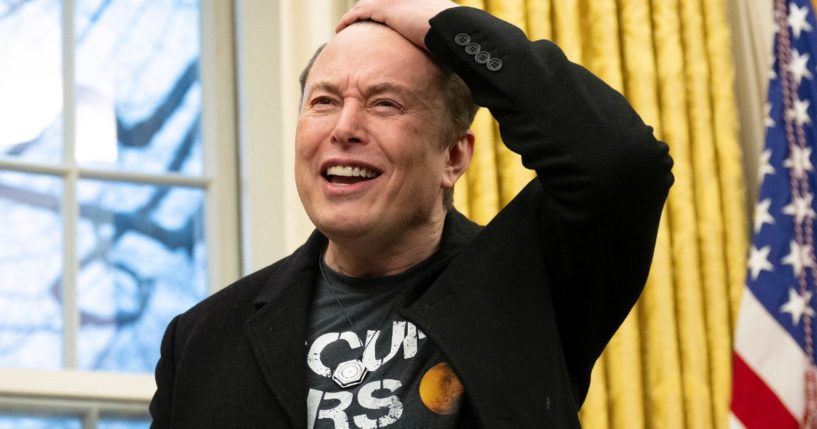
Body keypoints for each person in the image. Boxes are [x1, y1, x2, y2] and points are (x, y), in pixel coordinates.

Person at [149, 0, 673, 427]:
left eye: (385, 104)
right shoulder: (200, 340)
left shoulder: (532, 283)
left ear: (453, 156)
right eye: (324, 101)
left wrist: (446, 26)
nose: (344, 127)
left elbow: (619, 163)